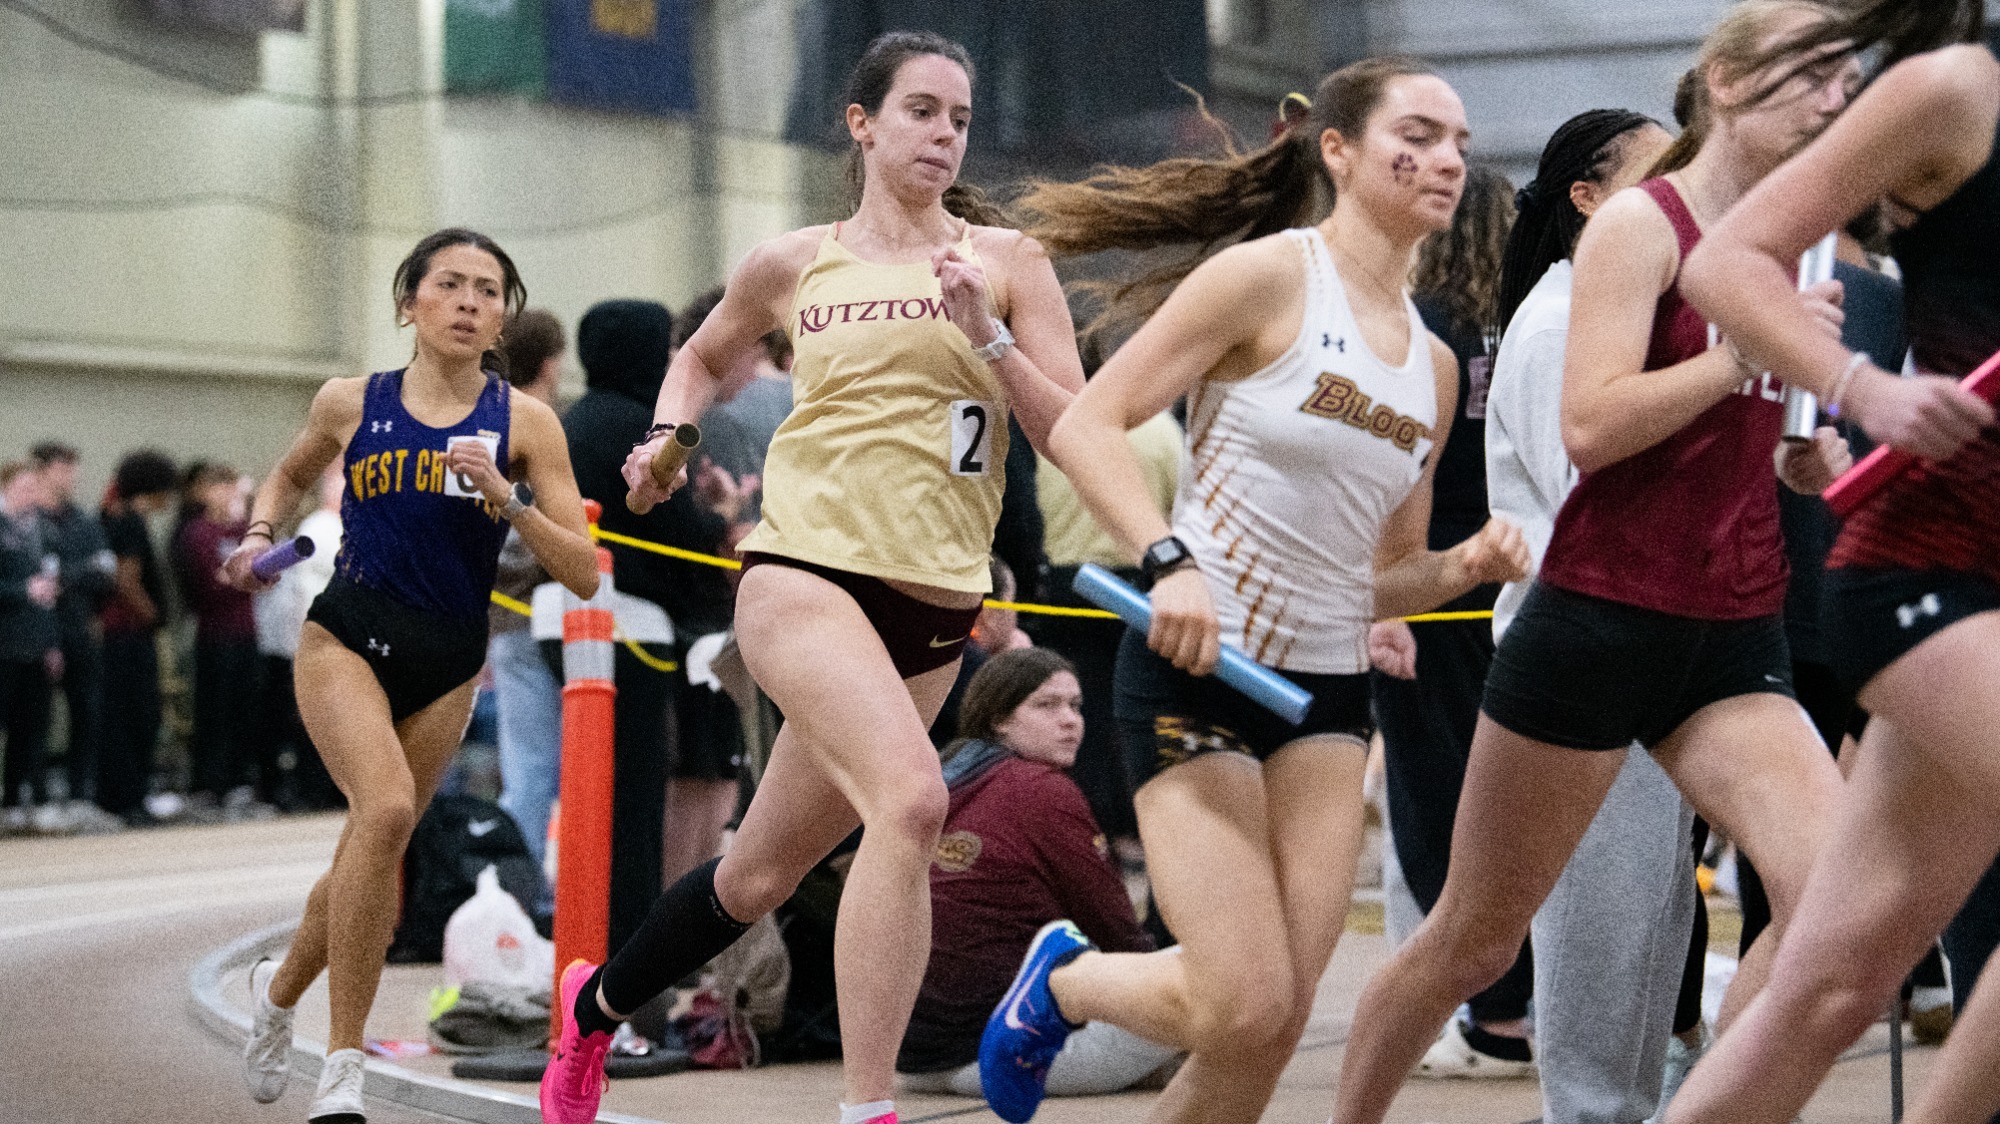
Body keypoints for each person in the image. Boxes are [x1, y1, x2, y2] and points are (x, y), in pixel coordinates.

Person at [1328, 7, 1861, 1123]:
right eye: (1810, 72)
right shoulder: (1636, 230)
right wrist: (1735, 361)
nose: (1834, 95)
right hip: (1594, 628)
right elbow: (1589, 427)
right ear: (1725, 84)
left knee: (1834, 914)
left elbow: (1755, 434)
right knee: (1471, 940)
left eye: (1845, 75)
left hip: (1731, 632)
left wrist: (1813, 453)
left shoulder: (1783, 245)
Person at [547, 31, 1085, 1124]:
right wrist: (666, 435)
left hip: (934, 604)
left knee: (755, 876)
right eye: (922, 110)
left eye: (960, 118)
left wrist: (988, 341)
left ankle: (593, 1007)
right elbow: (701, 355)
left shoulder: (1009, 262)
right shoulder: (794, 262)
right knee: (912, 799)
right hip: (800, 572)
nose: (943, 133)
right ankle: (867, 1106)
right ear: (862, 122)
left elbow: (1071, 430)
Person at [985, 57, 1531, 1124]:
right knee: (1241, 997)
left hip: (1325, 703)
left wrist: (1462, 567)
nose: (1446, 160)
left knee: (1269, 1028)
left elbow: (1382, 578)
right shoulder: (1267, 277)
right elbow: (1089, 425)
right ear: (1337, 149)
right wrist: (1166, 560)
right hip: (1195, 665)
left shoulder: (1429, 363)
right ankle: (1060, 979)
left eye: (1459, 143)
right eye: (1415, 134)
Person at [1671, 2, 2000, 1121]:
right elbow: (1725, 264)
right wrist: (1865, 387)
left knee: (1827, 988)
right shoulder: (1953, 88)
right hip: (1930, 571)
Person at [229, 228, 598, 1124]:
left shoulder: (526, 422)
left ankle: (276, 997)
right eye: (452, 285)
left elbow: (582, 571)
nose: (472, 302)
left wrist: (506, 498)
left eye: (490, 290)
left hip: (448, 657)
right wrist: (255, 535)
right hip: (347, 636)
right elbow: (286, 473)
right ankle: (344, 1064)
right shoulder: (350, 401)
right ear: (411, 303)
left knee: (371, 839)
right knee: (387, 810)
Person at [1484, 108, 1704, 1124]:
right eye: (1657, 172)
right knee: (1596, 923)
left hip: (1657, 643)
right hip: (1575, 652)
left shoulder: (1623, 314)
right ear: (1584, 196)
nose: (1678, 192)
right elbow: (1582, 494)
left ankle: (1629, 1104)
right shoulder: (1557, 317)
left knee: (1655, 918)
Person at [1370, 162, 1540, 1077]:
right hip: (1510, 574)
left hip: (1426, 580)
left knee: (1433, 805)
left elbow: (1387, 468)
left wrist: (1378, 600)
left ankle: (1483, 1005)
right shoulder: (1531, 318)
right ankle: (1507, 999)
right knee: (1509, 797)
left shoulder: (1416, 326)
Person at [898, 647, 1175, 1098]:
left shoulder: (940, 777)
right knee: (1228, 978)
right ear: (998, 719)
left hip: (914, 1060)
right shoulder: (1041, 791)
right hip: (1007, 1055)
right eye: (1047, 705)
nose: (1070, 720)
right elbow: (1117, 932)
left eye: (1076, 705)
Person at [1028, 337, 1181, 851]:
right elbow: (1181, 512)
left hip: (1066, 589)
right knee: (1132, 710)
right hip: (1139, 586)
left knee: (1074, 715)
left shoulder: (1054, 430)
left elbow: (1030, 509)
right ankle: (1137, 829)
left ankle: (1084, 830)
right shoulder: (1160, 431)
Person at [489, 308, 568, 865]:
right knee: (534, 763)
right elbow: (518, 539)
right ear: (550, 363)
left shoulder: (481, 419)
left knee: (532, 761)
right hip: (529, 616)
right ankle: (523, 883)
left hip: (514, 618)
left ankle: (532, 879)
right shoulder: (533, 424)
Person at [29, 442, 117, 830]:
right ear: (44, 471)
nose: (72, 478)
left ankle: (81, 794)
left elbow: (104, 572)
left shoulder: (82, 520)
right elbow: (33, 577)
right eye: (65, 470)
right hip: (37, 633)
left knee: (87, 712)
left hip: (80, 629)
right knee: (35, 717)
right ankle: (35, 796)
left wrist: (65, 577)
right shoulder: (27, 520)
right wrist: (77, 573)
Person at [175, 463, 266, 814]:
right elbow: (208, 583)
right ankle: (210, 784)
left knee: (245, 709)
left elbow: (254, 570)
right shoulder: (198, 533)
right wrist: (238, 577)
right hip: (215, 633)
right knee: (215, 711)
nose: (228, 494)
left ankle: (240, 781)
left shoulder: (244, 530)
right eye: (221, 487)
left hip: (246, 629)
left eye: (232, 487)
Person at [95, 449, 177, 823]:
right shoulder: (129, 523)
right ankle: (128, 797)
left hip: (117, 638)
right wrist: (154, 617)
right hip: (127, 634)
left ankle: (125, 796)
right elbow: (126, 581)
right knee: (136, 716)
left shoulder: (112, 515)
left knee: (123, 715)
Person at [0, 461, 59, 833]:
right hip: (3, 645)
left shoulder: (39, 530)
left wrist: (53, 645)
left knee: (30, 727)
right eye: (23, 488)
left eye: (34, 489)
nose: (31, 496)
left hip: (34, 645)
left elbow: (49, 593)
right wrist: (22, 591)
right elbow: (29, 588)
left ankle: (16, 801)